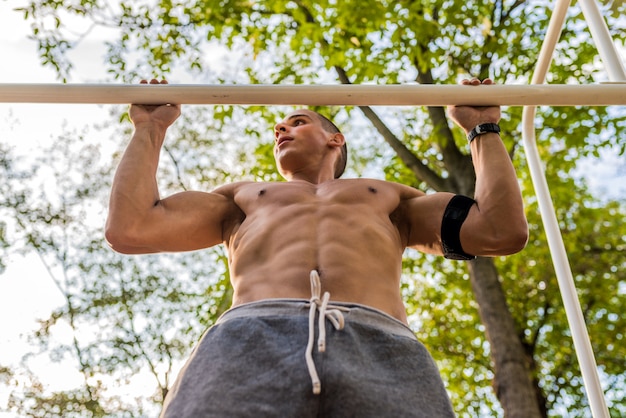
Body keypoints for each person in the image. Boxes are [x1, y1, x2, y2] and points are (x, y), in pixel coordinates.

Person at [105, 78, 528, 417]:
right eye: (280, 127)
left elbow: (500, 230)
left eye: (298, 121)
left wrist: (482, 130)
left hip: (377, 342)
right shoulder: (243, 197)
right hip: (250, 339)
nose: (281, 129)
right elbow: (132, 228)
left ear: (335, 139)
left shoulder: (386, 196)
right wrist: (150, 129)